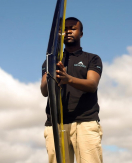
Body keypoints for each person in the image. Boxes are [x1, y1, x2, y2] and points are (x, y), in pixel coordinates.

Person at [40, 17, 103, 163]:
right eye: (65, 29)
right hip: (55, 124)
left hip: (85, 123)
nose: (68, 31)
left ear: (81, 33)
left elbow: (92, 84)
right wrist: (51, 76)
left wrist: (68, 79)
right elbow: (44, 91)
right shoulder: (51, 61)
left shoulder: (92, 59)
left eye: (73, 28)